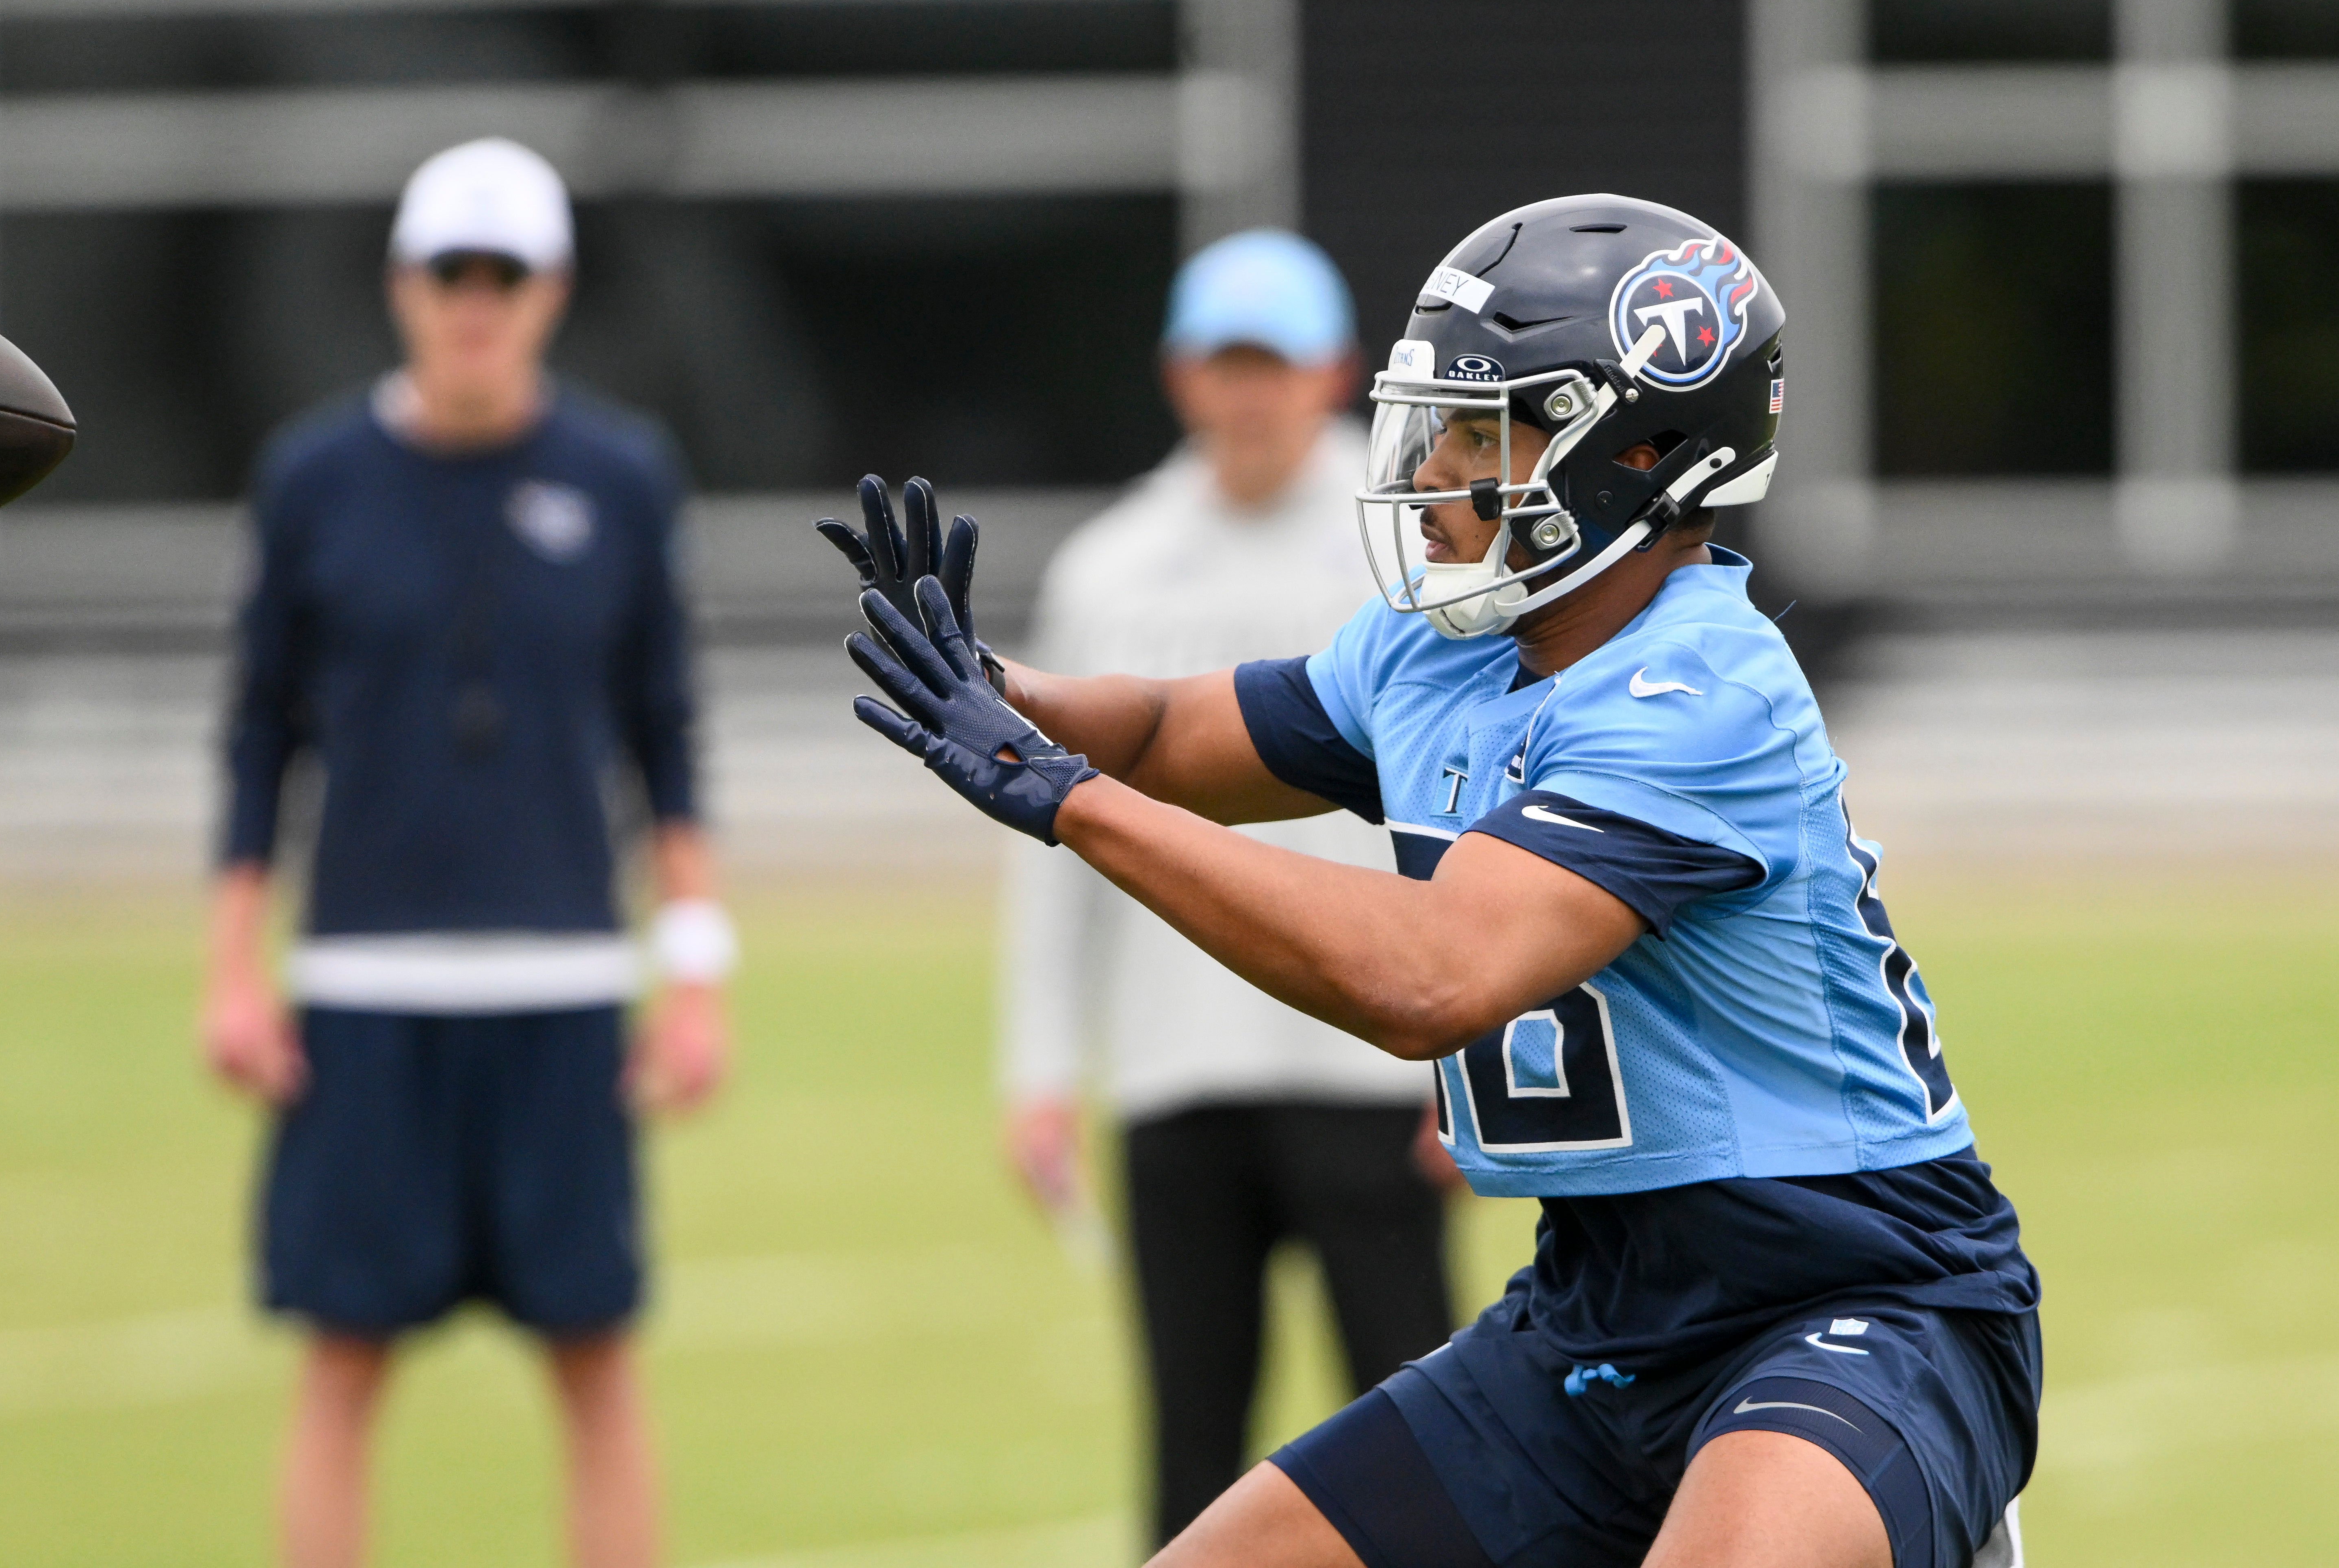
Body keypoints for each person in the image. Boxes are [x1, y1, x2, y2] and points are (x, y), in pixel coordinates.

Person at [820, 194, 2038, 1568]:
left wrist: (1070, 803)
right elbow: (1170, 733)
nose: (1440, 467)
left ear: (1639, 454)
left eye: (1485, 429)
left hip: (1856, 1294)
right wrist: (986, 693)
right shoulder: (1440, 650)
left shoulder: (1701, 685)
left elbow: (1431, 977)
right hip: (1600, 1303)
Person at [200, 136, 733, 1568]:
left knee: (597, 1361)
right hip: (363, 992)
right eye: (452, 273)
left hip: (563, 991)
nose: (476, 302)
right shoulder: (312, 480)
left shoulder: (625, 480)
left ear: (553, 292)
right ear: (402, 286)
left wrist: (696, 979)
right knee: (342, 1364)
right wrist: (232, 972)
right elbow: (258, 739)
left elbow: (667, 742)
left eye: (506, 274)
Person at [989, 230, 1458, 1546]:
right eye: (1226, 363)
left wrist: (1480, 1055)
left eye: (1276, 364)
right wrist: (1039, 1066)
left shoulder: (1410, 560)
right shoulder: (1109, 568)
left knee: (1434, 1439)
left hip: (1373, 1061)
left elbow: (1467, 815)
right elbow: (1053, 834)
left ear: (1336, 376)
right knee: (1191, 1450)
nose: (1250, 395)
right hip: (1174, 1071)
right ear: (1180, 376)